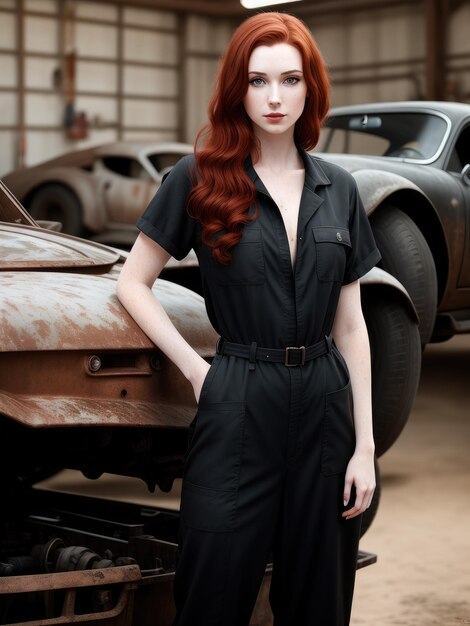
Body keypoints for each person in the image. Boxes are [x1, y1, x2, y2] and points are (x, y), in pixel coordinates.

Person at [117, 11, 380, 626]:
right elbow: (133, 283)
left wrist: (364, 447)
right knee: (214, 587)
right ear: (237, 87)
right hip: (236, 395)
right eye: (258, 80)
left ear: (310, 87)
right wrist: (195, 369)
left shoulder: (339, 189)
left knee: (319, 596)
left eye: (290, 80)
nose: (274, 97)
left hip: (323, 406)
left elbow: (351, 327)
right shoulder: (199, 177)